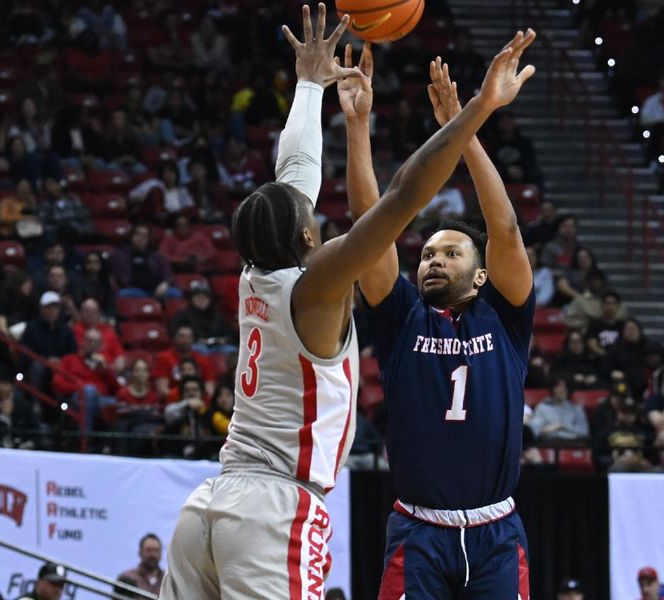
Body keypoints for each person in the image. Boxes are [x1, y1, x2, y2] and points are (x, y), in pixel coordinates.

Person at [161, 6, 531, 599]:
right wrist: (477, 110)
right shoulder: (320, 287)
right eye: (312, 217)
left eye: (451, 253)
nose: (317, 212)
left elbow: (296, 171)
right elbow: (401, 198)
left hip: (215, 499)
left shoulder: (254, 276)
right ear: (309, 238)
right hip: (277, 506)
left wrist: (311, 86)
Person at [344, 32, 537, 599]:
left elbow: (503, 229)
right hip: (418, 530)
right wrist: (358, 127)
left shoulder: (505, 317)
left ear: (480, 275)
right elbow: (369, 230)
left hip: (496, 531)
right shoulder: (402, 315)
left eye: (450, 253)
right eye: (426, 253)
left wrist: (469, 128)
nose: (432, 259)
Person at [52, 327, 119, 433]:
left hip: (101, 401)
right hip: (76, 399)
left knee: (119, 402)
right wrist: (82, 388)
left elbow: (117, 389)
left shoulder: (103, 364)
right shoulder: (69, 359)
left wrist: (106, 370)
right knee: (89, 391)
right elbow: (57, 384)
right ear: (82, 341)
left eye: (95, 342)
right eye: (89, 340)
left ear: (100, 346)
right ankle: (85, 438)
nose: (91, 344)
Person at [529, 375, 590, 442]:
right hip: (549, 444)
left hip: (572, 445)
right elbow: (535, 431)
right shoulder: (542, 408)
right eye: (558, 387)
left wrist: (562, 426)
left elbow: (584, 432)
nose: (562, 390)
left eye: (565, 387)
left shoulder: (576, 409)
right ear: (552, 388)